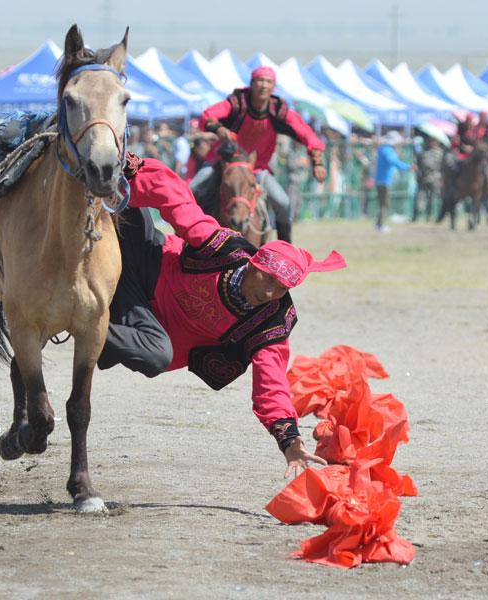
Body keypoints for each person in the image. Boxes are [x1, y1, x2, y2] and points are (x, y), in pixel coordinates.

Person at [97, 154, 346, 477]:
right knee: (116, 194)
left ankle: (81, 324)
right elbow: (178, 202)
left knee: (156, 357)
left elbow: (271, 383)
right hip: (146, 257)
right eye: (268, 279)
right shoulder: (224, 248)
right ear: (254, 263)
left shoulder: (271, 321)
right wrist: (130, 167)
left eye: (282, 288)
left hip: (145, 319)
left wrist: (288, 439)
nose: (270, 293)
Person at [190, 66, 328, 243]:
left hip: (257, 169)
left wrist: (317, 161)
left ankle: (285, 253)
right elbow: (207, 116)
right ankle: (181, 243)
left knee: (283, 203)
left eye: (268, 82)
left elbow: (305, 133)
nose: (263, 85)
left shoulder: (279, 110)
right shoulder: (237, 102)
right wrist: (219, 128)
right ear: (252, 84)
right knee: (192, 189)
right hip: (223, 164)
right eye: (259, 81)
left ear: (273, 88)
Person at [373, 130, 412, 232]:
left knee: (383, 203)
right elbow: (393, 161)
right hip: (383, 180)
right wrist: (406, 167)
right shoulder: (387, 150)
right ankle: (380, 225)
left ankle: (378, 223)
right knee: (384, 203)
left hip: (381, 180)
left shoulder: (383, 149)